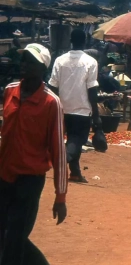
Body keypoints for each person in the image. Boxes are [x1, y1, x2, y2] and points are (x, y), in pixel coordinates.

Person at [0, 44, 67, 265]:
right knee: (5, 236)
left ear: (43, 69)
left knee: (15, 238)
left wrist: (60, 197)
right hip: (4, 175)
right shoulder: (10, 91)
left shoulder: (51, 103)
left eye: (31, 62)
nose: (24, 65)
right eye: (24, 60)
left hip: (29, 180)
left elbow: (59, 152)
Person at [48, 29, 99, 184]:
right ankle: (63, 159)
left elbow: (53, 87)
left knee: (72, 140)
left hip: (61, 108)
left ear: (70, 40)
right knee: (76, 140)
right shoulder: (91, 62)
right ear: (85, 42)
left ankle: (75, 173)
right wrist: (96, 115)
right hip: (81, 110)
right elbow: (92, 90)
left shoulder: (59, 60)